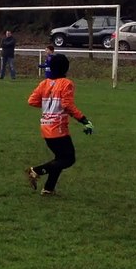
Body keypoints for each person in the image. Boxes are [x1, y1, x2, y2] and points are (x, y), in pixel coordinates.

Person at [26, 54, 92, 196]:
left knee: (59, 159)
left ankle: (49, 188)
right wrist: (84, 120)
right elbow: (67, 105)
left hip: (45, 126)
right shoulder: (66, 83)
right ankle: (36, 171)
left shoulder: (44, 83)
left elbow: (31, 101)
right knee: (68, 159)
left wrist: (47, 106)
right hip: (58, 127)